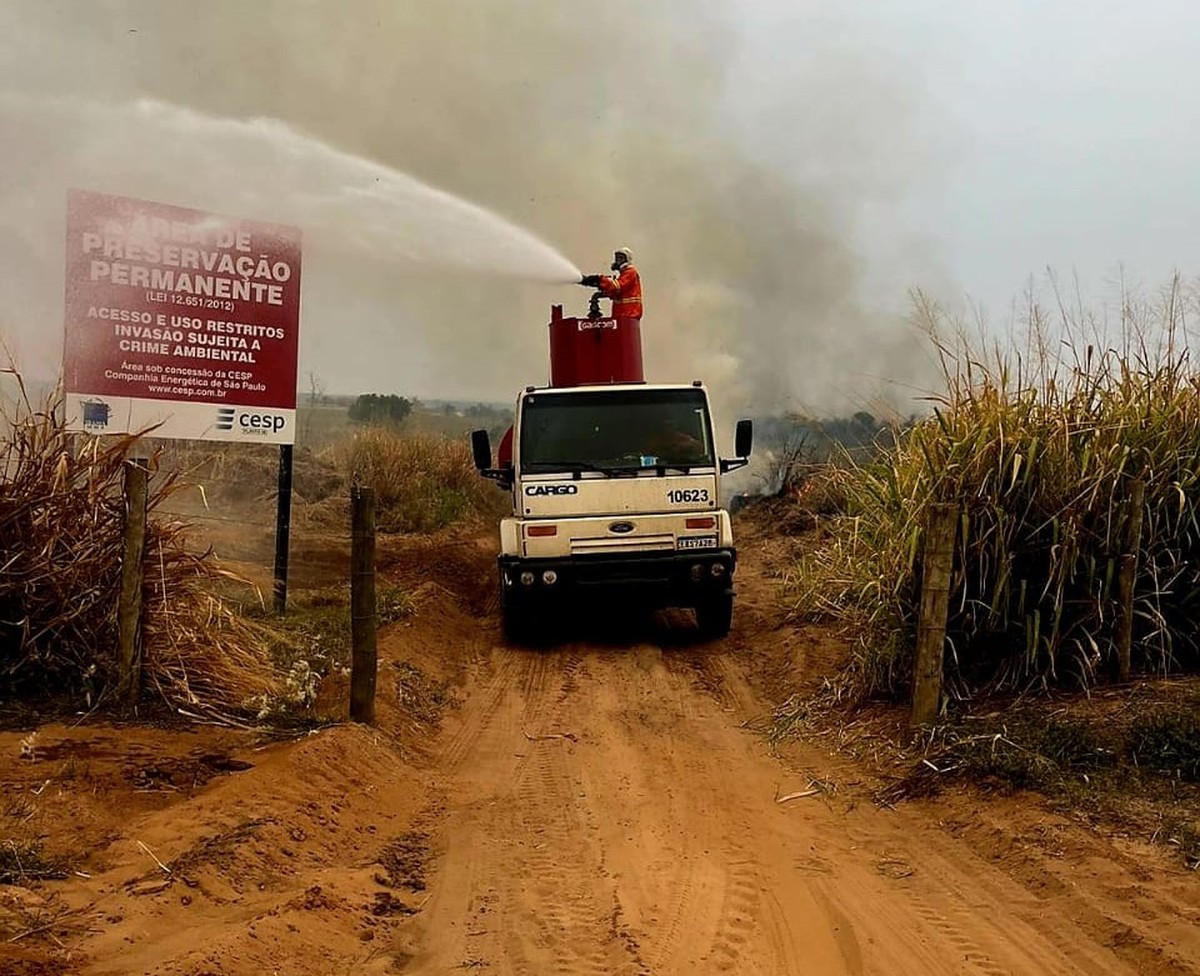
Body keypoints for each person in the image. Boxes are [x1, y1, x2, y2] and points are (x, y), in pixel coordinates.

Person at [579, 246, 642, 320]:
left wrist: (599, 279)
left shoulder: (630, 272)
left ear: (627, 260)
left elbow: (617, 286)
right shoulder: (623, 274)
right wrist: (596, 284)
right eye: (617, 258)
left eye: (621, 258)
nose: (618, 261)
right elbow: (615, 292)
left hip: (628, 314)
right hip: (621, 316)